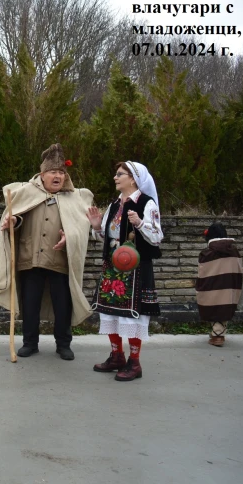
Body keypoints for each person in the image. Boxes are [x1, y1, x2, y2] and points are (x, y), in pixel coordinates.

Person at [0, 144, 94, 360]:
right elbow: (16, 218)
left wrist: (70, 237)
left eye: (61, 172)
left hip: (59, 260)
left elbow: (82, 228)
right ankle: (30, 343)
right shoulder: (26, 193)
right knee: (30, 304)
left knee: (63, 304)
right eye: (53, 172)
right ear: (43, 175)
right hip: (30, 259)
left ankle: (63, 344)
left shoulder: (75, 198)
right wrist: (13, 221)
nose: (58, 176)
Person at [87, 161, 163, 382]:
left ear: (133, 178)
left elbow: (157, 236)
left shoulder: (147, 204)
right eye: (116, 173)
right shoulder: (113, 205)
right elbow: (107, 237)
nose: (115, 177)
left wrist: (139, 223)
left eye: (120, 174)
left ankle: (135, 363)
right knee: (109, 311)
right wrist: (96, 227)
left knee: (133, 315)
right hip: (113, 267)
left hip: (136, 268)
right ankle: (117, 356)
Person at [196, 222, 243, 347]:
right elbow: (238, 271)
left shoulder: (207, 253)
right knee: (225, 304)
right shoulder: (234, 252)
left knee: (213, 303)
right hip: (229, 286)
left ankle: (218, 335)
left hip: (212, 286)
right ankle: (218, 333)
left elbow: (203, 274)